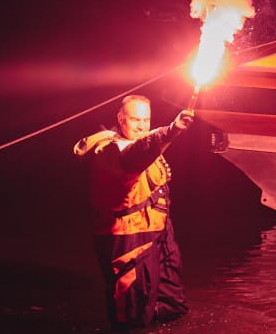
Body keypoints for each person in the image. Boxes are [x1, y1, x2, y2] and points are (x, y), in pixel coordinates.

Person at [73, 94, 196, 329]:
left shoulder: (141, 144)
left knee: (172, 306)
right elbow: (137, 153)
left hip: (158, 233)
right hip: (129, 240)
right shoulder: (110, 151)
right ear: (121, 119)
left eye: (146, 120)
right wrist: (172, 130)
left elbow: (147, 152)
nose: (142, 126)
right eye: (135, 120)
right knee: (133, 316)